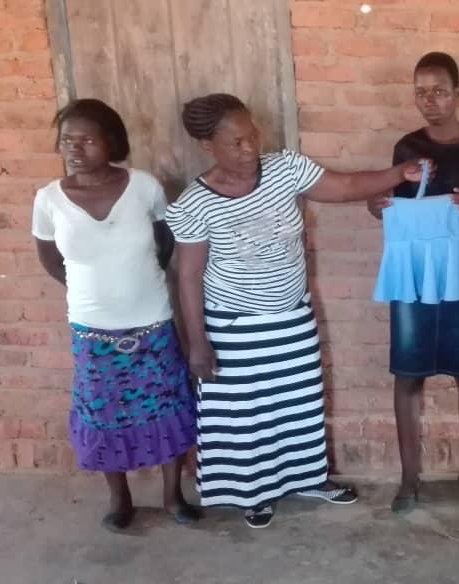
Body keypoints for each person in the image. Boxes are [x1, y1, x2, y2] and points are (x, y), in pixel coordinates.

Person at [167, 93, 431, 529]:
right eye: (236, 142)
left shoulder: (285, 168)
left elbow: (344, 187)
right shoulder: (196, 203)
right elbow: (189, 276)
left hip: (292, 319)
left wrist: (398, 174)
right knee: (246, 415)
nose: (250, 148)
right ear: (207, 146)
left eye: (252, 136)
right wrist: (197, 343)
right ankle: (254, 493)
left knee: (299, 405)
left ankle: (309, 479)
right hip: (236, 330)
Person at [32, 99, 199, 531]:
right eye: (67, 139)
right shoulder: (48, 200)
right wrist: (95, 291)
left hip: (153, 324)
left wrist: (135, 284)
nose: (75, 148)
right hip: (93, 334)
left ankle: (171, 495)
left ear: (112, 141)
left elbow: (165, 244)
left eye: (87, 139)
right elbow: (51, 261)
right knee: (102, 415)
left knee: (166, 408)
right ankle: (119, 498)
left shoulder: (144, 187)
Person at [367, 52, 459, 513]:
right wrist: (379, 207)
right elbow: (392, 202)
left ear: (458, 93)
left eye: (439, 91)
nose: (429, 101)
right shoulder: (407, 147)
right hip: (415, 277)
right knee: (408, 373)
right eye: (420, 92)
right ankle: (410, 479)